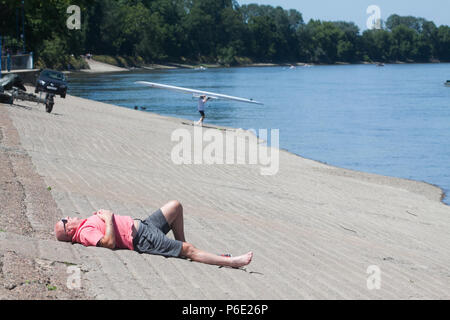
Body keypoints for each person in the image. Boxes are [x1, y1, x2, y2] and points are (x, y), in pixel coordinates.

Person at [54, 200, 253, 268]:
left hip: (145, 225)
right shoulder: (84, 233)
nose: (69, 217)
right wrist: (108, 218)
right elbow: (109, 243)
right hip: (142, 239)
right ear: (68, 230)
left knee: (175, 206)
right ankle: (232, 261)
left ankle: (183, 248)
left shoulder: (83, 225)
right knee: (189, 250)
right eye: (65, 220)